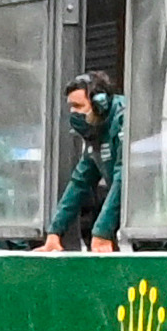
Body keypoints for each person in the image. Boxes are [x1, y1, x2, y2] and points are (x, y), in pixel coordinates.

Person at [43, 79, 126, 250]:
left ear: (100, 104)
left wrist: (102, 232)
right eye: (71, 107)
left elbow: (124, 177)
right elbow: (79, 182)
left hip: (160, 226)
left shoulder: (124, 119)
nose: (73, 113)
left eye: (78, 106)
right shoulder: (97, 129)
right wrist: (54, 232)